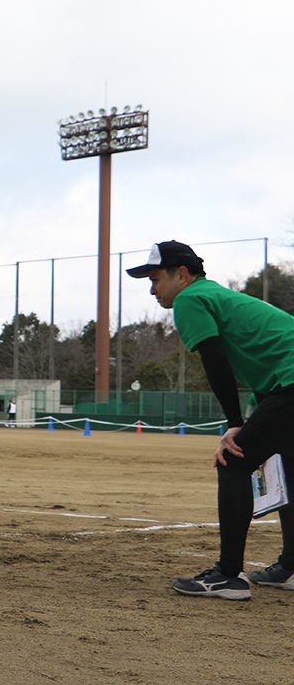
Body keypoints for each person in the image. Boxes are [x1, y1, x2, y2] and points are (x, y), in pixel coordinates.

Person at [128, 240, 294, 600]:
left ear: (182, 275)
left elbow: (215, 359)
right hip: (283, 381)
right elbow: (270, 350)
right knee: (289, 468)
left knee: (233, 461)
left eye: (156, 278)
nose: (152, 289)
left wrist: (234, 423)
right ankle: (290, 568)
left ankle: (228, 575)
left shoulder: (190, 298)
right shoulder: (217, 296)